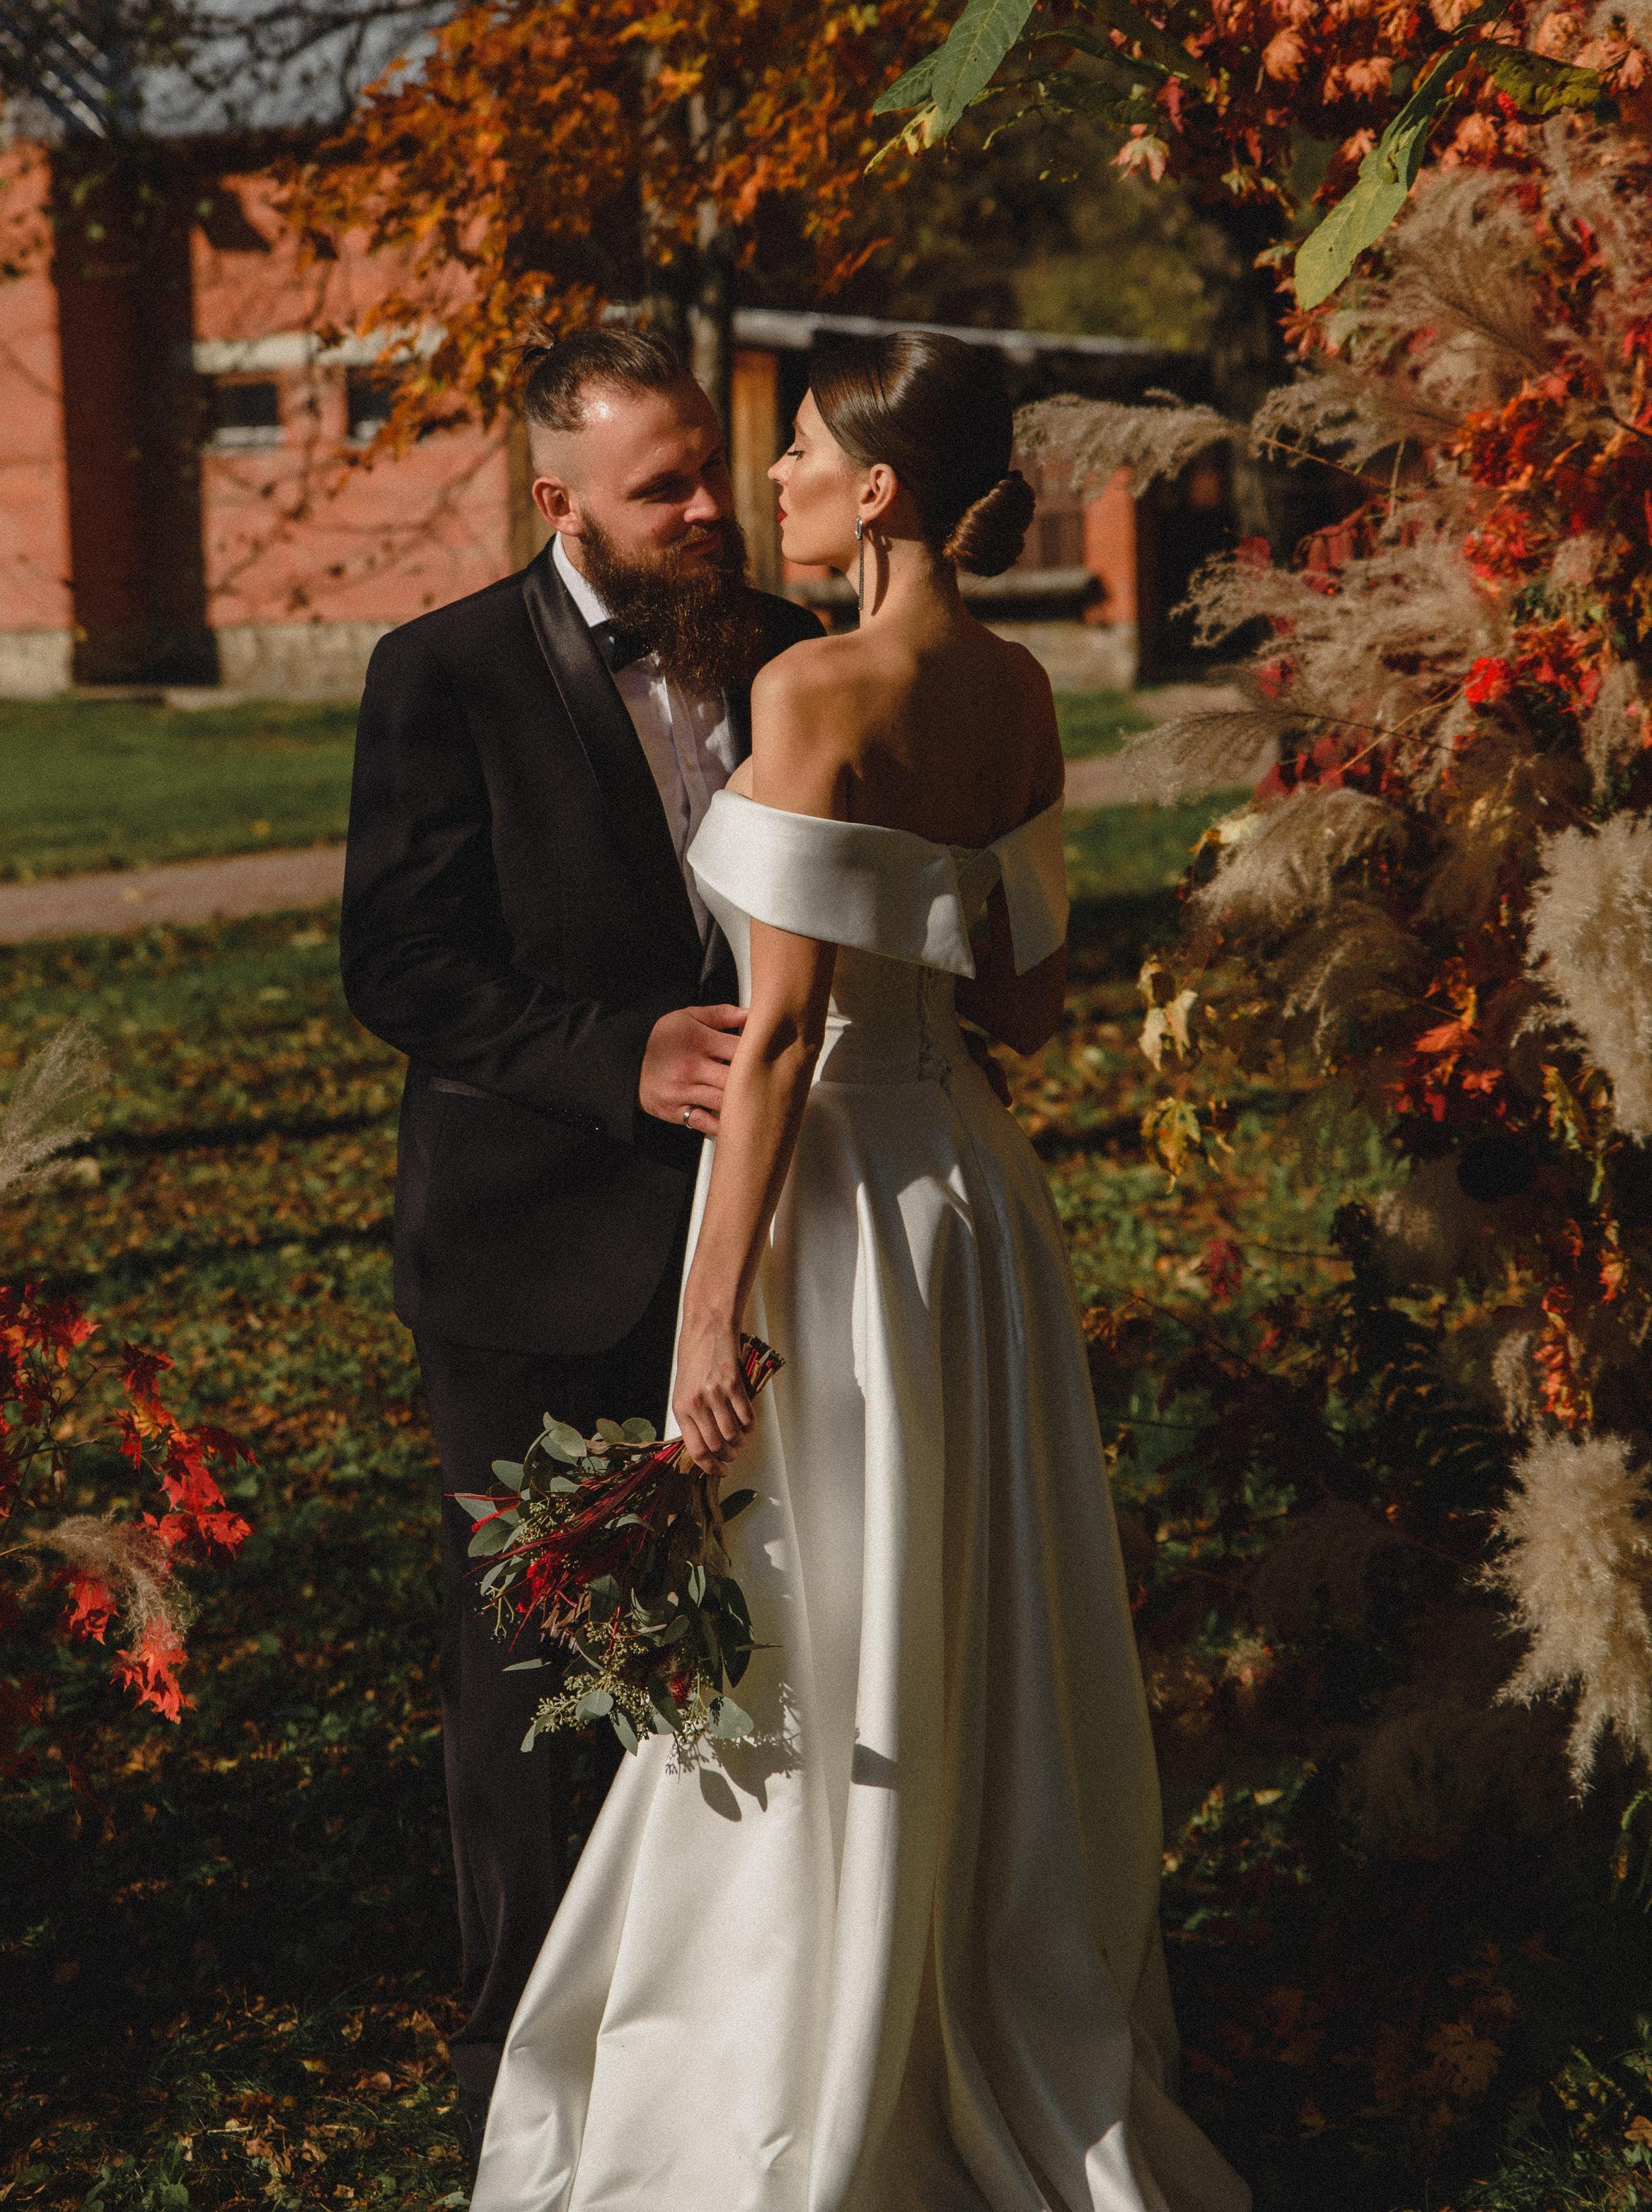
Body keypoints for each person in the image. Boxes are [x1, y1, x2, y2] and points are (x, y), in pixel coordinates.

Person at [474, 332, 1249, 2211]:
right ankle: (976, 1990)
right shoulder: (1023, 690)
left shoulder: (812, 688)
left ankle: (812, 2057)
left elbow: (767, 1037)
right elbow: (1029, 1001)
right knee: (966, 1593)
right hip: (969, 1202)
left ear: (882, 487)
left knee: (819, 1611)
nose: (785, 477)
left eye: (806, 446)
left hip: (828, 1197)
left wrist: (707, 1311)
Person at [338, 328, 825, 2162]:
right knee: (535, 1676)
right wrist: (618, 1059)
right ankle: (526, 2096)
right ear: (560, 504)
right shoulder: (437, 674)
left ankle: (723, 2061)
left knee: (756, 1642)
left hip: (764, 1249)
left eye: (714, 470)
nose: (710, 509)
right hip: (530, 1255)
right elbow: (401, 964)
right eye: (663, 488)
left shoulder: (787, 654)